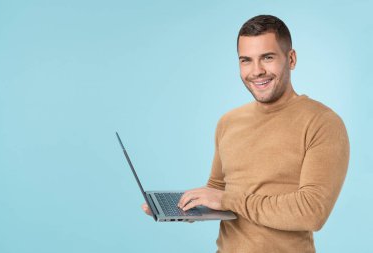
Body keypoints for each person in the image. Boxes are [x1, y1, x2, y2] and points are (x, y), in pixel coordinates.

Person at [142, 14, 349, 253]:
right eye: (246, 60)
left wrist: (228, 200)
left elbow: (312, 212)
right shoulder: (228, 122)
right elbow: (217, 192)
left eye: (267, 58)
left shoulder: (323, 123)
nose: (256, 71)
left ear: (291, 59)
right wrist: (185, 209)